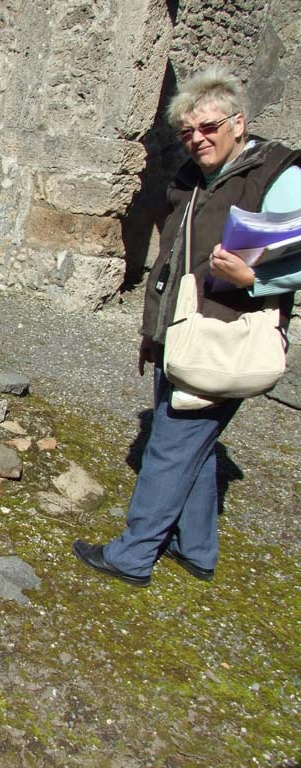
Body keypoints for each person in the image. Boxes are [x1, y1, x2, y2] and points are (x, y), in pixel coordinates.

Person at [73, 66, 301, 586]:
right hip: (179, 332)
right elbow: (172, 261)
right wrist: (152, 334)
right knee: (193, 444)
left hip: (223, 336)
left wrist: (255, 279)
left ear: (238, 123)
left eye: (209, 127)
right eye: (187, 132)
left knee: (170, 446)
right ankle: (196, 548)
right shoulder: (193, 178)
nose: (197, 139)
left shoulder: (277, 175)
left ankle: (132, 556)